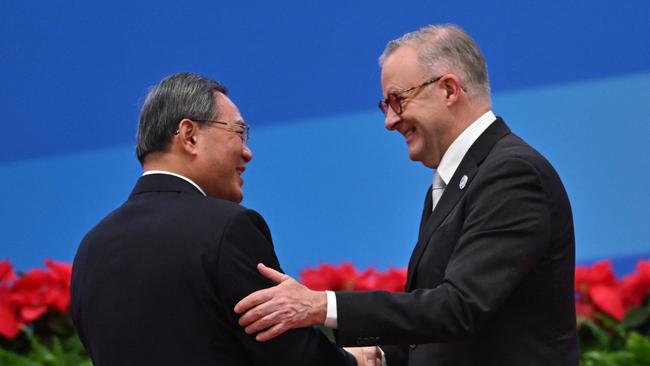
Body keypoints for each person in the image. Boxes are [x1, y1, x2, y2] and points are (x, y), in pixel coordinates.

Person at [234, 24, 579, 366]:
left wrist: (322, 306)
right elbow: (446, 329)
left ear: (448, 90)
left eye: (398, 100)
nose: (389, 121)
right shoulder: (452, 182)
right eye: (384, 104)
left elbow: (459, 308)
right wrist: (381, 355)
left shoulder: (512, 174)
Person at [71, 72, 377, 366]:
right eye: (238, 133)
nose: (248, 153)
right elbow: (284, 350)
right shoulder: (229, 228)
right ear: (189, 136)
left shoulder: (91, 248)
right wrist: (353, 362)